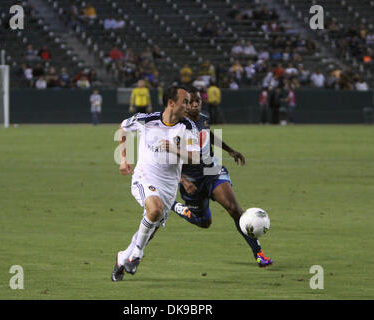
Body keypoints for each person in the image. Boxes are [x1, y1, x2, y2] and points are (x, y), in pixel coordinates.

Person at [170, 86, 273, 267]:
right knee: (204, 222)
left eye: (198, 101)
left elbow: (209, 136)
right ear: (184, 105)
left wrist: (230, 150)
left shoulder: (204, 119)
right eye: (190, 102)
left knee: (234, 209)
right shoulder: (176, 126)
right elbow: (166, 158)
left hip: (211, 171)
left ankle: (259, 254)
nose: (194, 104)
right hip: (191, 179)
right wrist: (183, 181)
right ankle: (175, 206)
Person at [111, 86, 200, 281]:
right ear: (171, 103)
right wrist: (124, 159)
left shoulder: (188, 127)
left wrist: (176, 149)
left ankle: (123, 257)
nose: (189, 106)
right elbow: (123, 127)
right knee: (154, 210)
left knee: (150, 229)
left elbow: (195, 157)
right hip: (144, 177)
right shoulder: (147, 120)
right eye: (185, 102)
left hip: (169, 188)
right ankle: (136, 256)